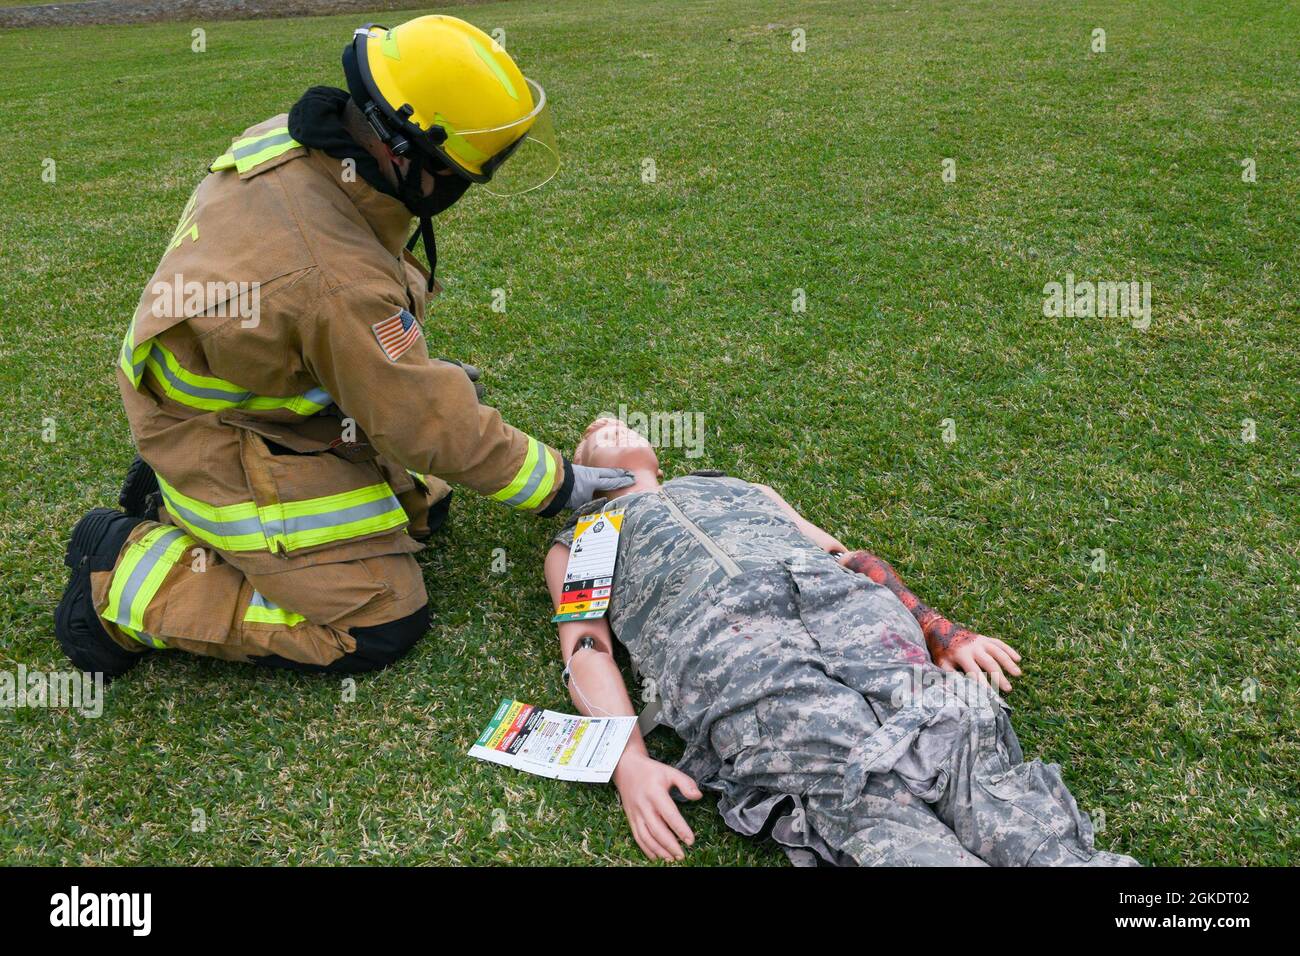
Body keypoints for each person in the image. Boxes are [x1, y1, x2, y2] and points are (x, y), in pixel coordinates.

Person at [54, 16, 632, 678]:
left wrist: (408, 373)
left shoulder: (304, 144)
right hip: (219, 432)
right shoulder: (332, 279)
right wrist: (560, 483)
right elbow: (421, 420)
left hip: (260, 400)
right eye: (464, 169)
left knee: (426, 509)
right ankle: (118, 573)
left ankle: (185, 496)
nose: (468, 184)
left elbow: (334, 336)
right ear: (404, 153)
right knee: (382, 616)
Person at [543, 418, 1139, 866]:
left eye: (621, 422)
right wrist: (630, 764)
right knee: (852, 782)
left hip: (850, 613)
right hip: (733, 654)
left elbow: (844, 557)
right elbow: (586, 649)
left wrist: (938, 630)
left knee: (956, 734)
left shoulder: (735, 488)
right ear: (583, 474)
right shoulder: (586, 537)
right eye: (593, 434)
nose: (608, 423)